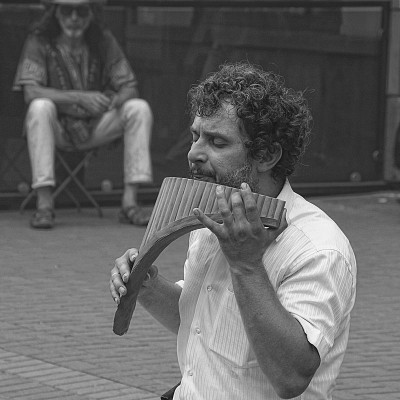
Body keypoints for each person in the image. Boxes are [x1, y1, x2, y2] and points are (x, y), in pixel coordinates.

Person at [109, 62, 357, 400]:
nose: (194, 153)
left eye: (217, 142)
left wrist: (246, 264)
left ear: (266, 155)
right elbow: (199, 324)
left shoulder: (318, 249)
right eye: (195, 136)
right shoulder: (210, 215)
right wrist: (148, 288)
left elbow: (291, 377)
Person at [13, 0, 153, 229]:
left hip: (96, 124)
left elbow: (129, 87)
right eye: (67, 10)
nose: (74, 18)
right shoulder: (39, 40)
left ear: (92, 14)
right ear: (55, 13)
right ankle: (44, 204)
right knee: (39, 107)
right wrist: (79, 97)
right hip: (57, 128)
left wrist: (111, 101)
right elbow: (30, 91)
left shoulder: (103, 39)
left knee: (138, 108)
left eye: (81, 11)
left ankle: (130, 202)